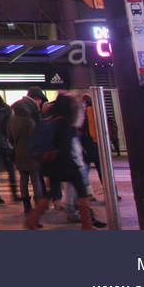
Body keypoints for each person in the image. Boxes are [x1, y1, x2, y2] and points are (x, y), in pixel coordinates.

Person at [25, 94, 105, 229]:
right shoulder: (66, 123)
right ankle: (87, 223)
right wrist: (77, 162)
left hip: (52, 164)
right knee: (81, 191)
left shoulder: (49, 121)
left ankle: (32, 218)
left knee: (51, 192)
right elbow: (69, 147)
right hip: (67, 164)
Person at [9, 87, 47, 215]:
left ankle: (27, 207)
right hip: (32, 152)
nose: (40, 104)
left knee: (23, 179)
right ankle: (37, 208)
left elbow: (10, 137)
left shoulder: (13, 117)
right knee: (35, 179)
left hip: (19, 151)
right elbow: (39, 135)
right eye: (40, 101)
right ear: (36, 99)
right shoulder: (31, 118)